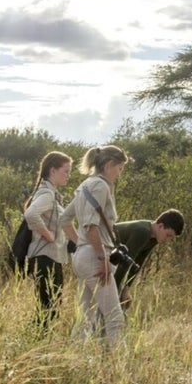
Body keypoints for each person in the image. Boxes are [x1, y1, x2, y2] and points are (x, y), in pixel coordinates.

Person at [60, 145, 130, 347]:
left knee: (85, 317)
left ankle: (73, 362)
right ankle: (120, 370)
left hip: (82, 255)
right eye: (120, 168)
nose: (119, 173)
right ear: (109, 165)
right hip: (95, 257)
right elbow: (91, 226)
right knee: (114, 317)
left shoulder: (85, 185)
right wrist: (101, 257)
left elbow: (65, 220)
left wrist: (81, 245)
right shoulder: (100, 186)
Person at [22, 151, 73, 336]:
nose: (68, 175)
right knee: (48, 306)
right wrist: (48, 235)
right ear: (53, 170)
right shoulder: (47, 194)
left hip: (52, 256)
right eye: (66, 171)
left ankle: (38, 340)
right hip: (45, 256)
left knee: (52, 304)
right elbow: (30, 214)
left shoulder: (52, 194)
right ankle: (36, 341)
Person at [112, 209, 185, 309]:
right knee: (112, 309)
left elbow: (138, 262)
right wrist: (114, 292)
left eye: (171, 238)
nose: (168, 240)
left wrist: (126, 288)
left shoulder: (154, 237)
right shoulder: (143, 232)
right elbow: (124, 263)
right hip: (98, 253)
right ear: (160, 226)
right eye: (168, 235)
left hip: (113, 260)